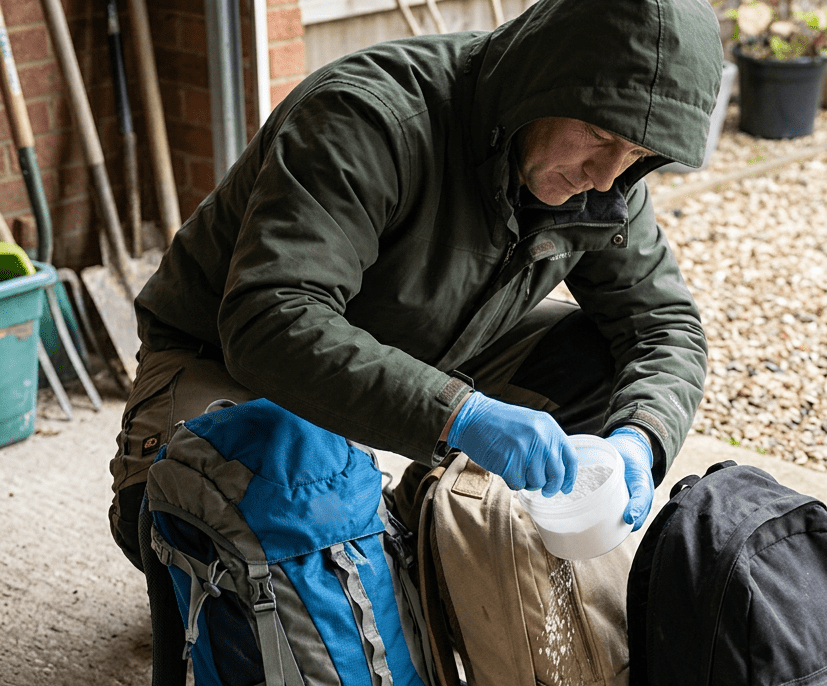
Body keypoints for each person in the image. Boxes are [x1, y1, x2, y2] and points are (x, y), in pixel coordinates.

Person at [109, 0, 724, 571]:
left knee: (608, 368)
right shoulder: (367, 117)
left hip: (423, 347)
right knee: (192, 524)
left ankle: (409, 532)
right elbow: (272, 319)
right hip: (230, 361)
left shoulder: (608, 182)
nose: (606, 175)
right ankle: (334, 539)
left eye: (638, 153)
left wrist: (639, 439)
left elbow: (664, 327)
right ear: (543, 83)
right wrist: (461, 414)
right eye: (601, 137)